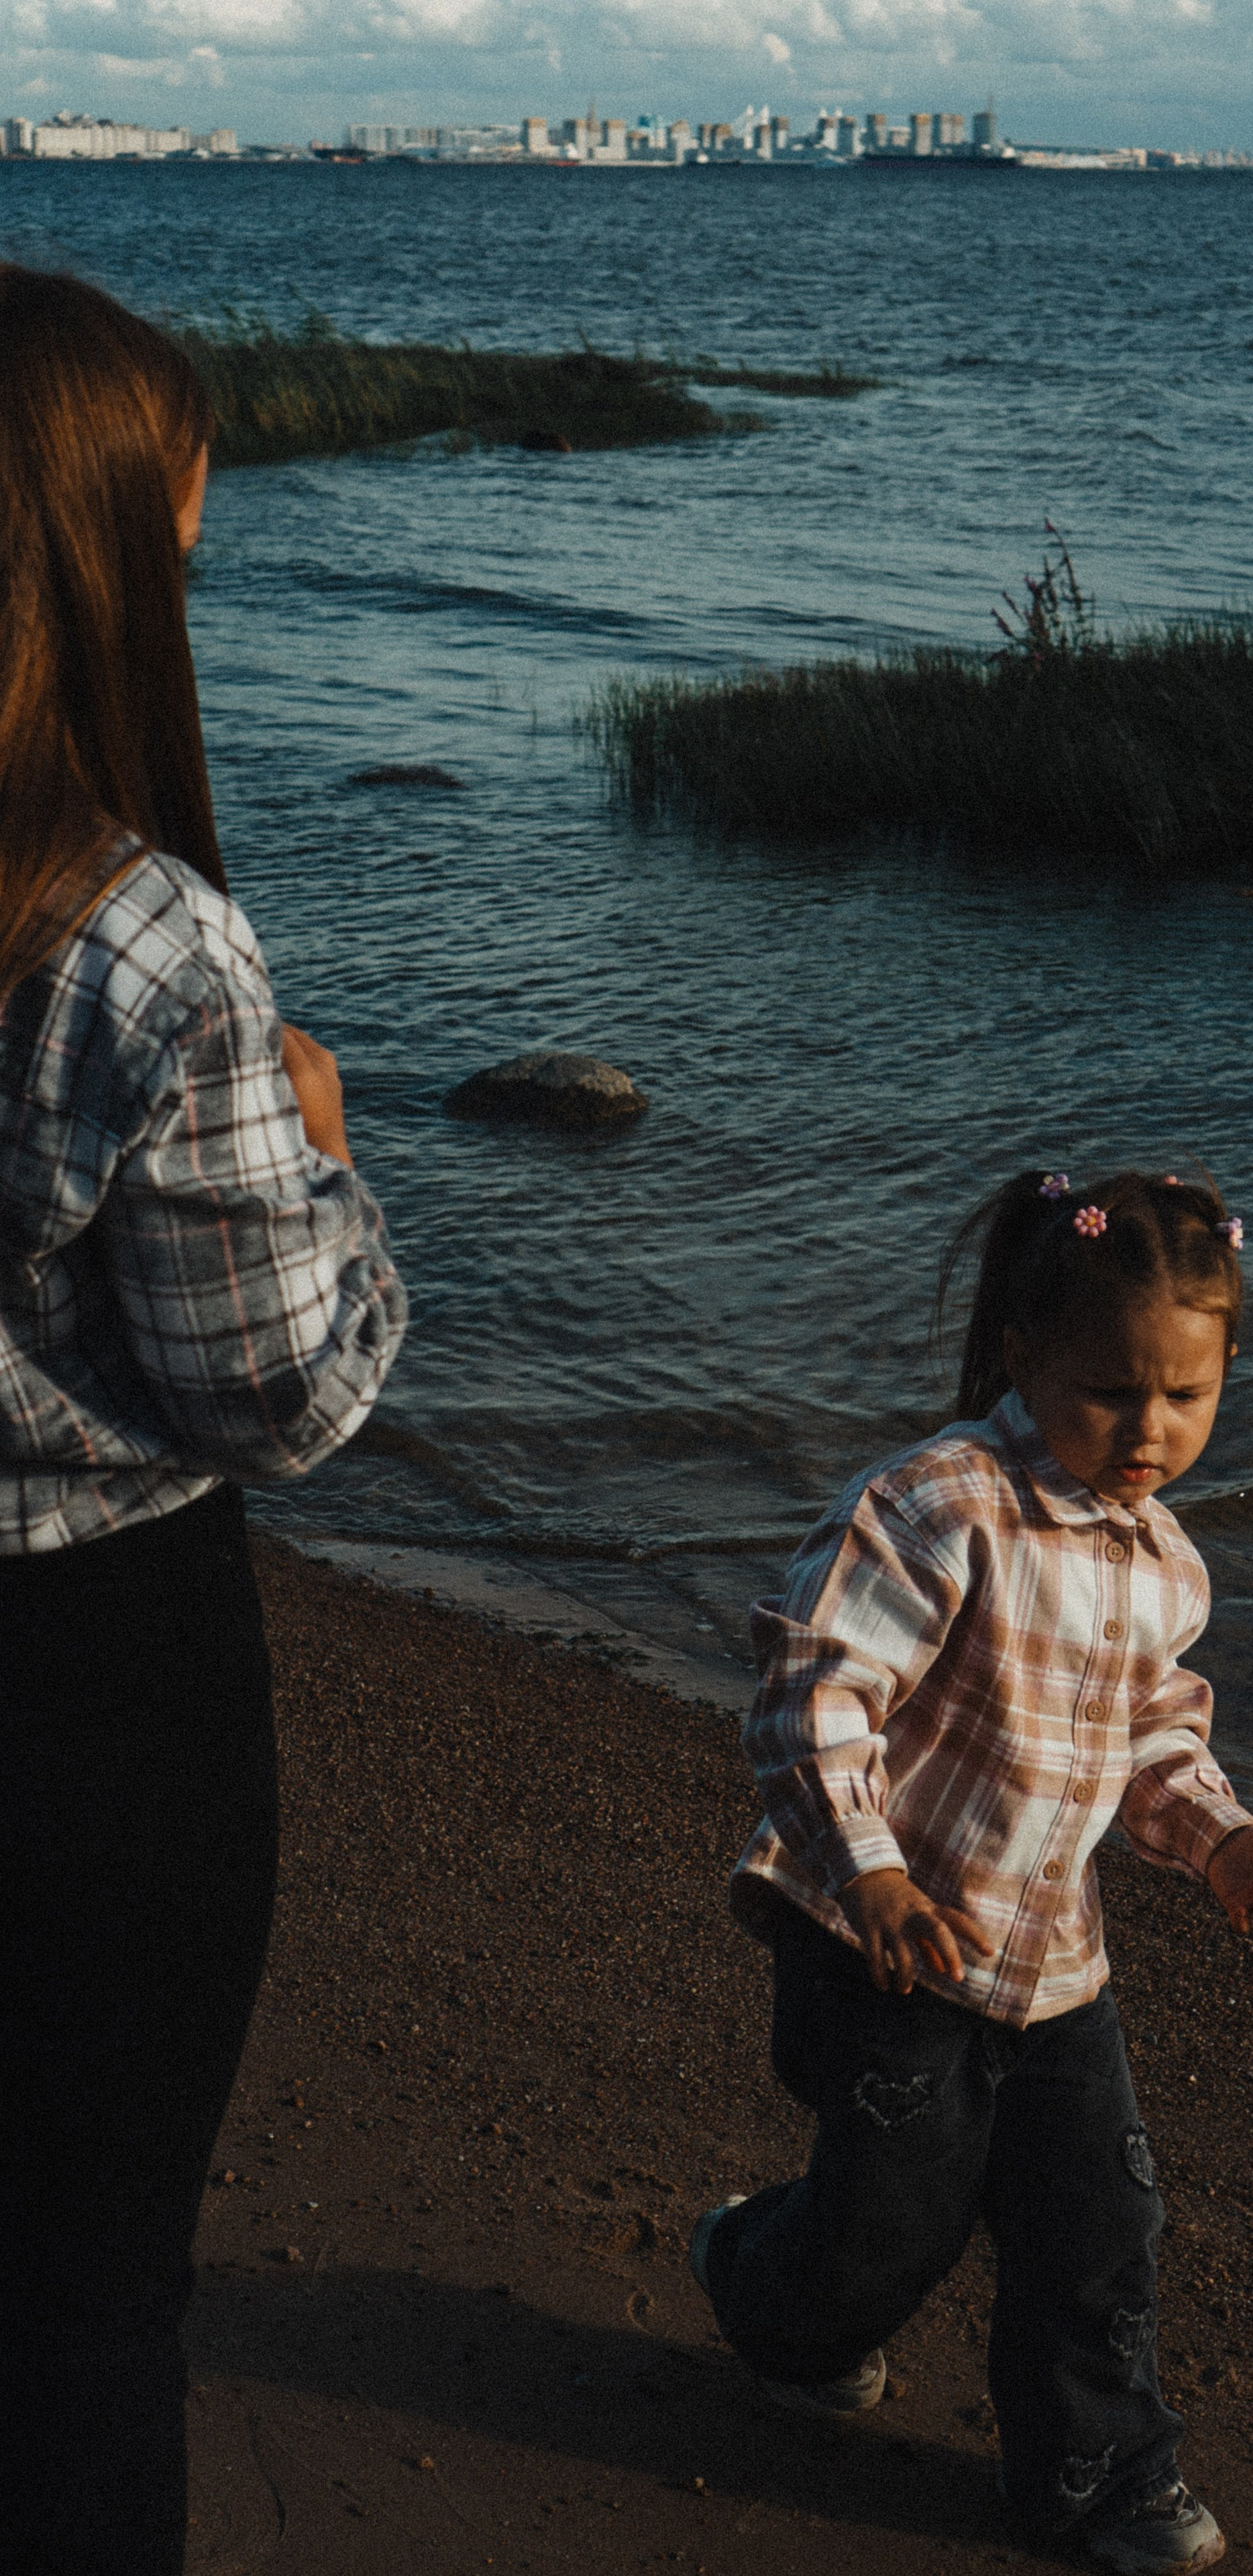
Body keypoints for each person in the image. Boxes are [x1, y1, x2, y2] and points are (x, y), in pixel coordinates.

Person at [0, 264, 407, 2573]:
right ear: (89, 540)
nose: (211, 530)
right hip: (95, 1695)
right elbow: (274, 1389)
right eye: (182, 503)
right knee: (81, 2304)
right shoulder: (144, 941)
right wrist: (327, 1151)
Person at [690, 1168, 1253, 2574]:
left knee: (1102, 2219)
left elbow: (1151, 1737)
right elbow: (811, 1691)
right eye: (1111, 1394)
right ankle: (760, 2283)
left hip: (1051, 1969)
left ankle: (1096, 2476)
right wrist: (865, 1872)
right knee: (887, 2226)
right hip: (884, 1945)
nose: (1149, 1432)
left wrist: (1219, 1837)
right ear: (1024, 1355)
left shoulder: (1165, 1564)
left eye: (1185, 1399)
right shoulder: (937, 1507)